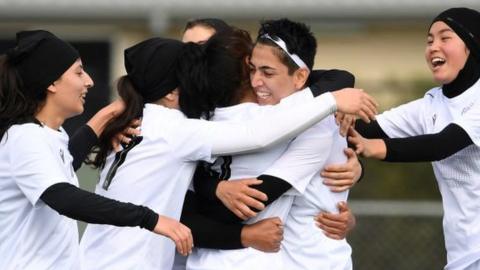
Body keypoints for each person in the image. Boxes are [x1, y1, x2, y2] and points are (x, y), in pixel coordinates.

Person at [79, 35, 376, 270]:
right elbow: (259, 134)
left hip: (98, 258)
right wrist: (333, 101)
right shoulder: (180, 129)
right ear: (170, 92)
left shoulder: (144, 122)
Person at [0, 30, 194, 270]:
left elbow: (67, 159)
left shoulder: (51, 136)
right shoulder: (25, 137)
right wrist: (149, 218)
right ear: (51, 83)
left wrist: (112, 113)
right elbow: (64, 198)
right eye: (79, 72)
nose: (89, 81)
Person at [184, 19, 356, 270]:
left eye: (267, 71)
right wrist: (216, 189)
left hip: (314, 261)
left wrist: (358, 163)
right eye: (252, 70)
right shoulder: (292, 116)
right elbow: (337, 78)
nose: (256, 81)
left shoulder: (195, 123)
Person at [344, 7, 480, 270]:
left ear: (472, 45)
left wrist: (372, 148)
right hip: (463, 254)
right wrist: (335, 113)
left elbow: (442, 145)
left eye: (445, 37)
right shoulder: (431, 103)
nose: (433, 47)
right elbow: (364, 131)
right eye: (429, 41)